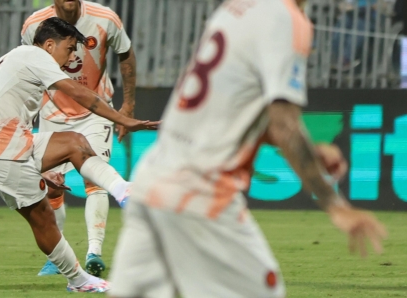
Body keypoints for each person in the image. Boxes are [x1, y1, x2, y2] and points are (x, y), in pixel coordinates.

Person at [107, 0, 387, 297]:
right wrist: (337, 206)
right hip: (199, 193)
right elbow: (284, 123)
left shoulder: (235, 9)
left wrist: (307, 151)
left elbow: (232, 113)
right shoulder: (287, 19)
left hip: (152, 182)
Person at [0, 17, 157, 293]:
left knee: (74, 143)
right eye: (69, 49)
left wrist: (37, 168)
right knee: (42, 215)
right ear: (50, 44)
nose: (71, 58)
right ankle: (78, 280)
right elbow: (79, 92)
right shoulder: (34, 54)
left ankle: (123, 190)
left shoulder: (15, 59)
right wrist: (122, 119)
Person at [21, 0, 136, 277]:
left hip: (96, 110)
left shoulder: (106, 18)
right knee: (52, 188)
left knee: (94, 178)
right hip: (52, 112)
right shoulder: (34, 25)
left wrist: (128, 106)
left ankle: (94, 252)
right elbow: (27, 67)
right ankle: (57, 256)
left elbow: (126, 54)